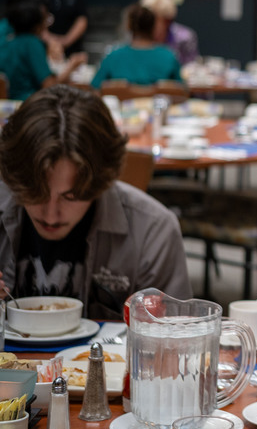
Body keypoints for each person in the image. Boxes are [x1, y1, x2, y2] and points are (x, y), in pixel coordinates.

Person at [0, 85, 192, 319]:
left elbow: (176, 342)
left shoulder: (152, 230)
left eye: (70, 197)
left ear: (102, 184)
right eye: (34, 194)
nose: (50, 215)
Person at [0, 0, 86, 101]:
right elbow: (50, 86)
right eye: (45, 18)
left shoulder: (9, 40)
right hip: (30, 102)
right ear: (36, 22)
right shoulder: (31, 43)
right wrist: (71, 66)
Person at [91, 3, 182, 88]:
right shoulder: (169, 57)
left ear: (128, 26)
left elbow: (95, 88)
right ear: (153, 26)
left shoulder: (113, 56)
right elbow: (181, 91)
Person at [140, 0, 199, 65]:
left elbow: (191, 69)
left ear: (167, 21)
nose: (147, 25)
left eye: (152, 20)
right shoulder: (138, 36)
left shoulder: (184, 38)